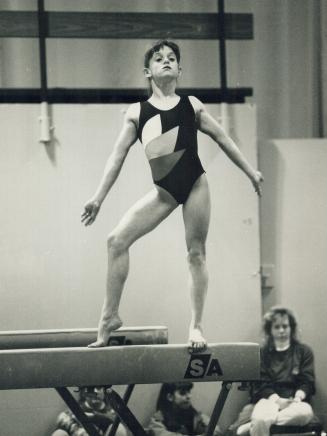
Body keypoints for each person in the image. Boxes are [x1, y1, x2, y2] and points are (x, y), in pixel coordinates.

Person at [81, 40, 264, 351]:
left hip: (195, 185)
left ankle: (196, 326)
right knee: (116, 241)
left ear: (180, 69)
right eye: (158, 59)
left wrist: (251, 171)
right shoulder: (137, 113)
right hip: (164, 193)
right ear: (147, 72)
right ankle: (109, 316)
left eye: (171, 58)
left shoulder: (191, 105)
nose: (165, 62)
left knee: (195, 253)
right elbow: (116, 157)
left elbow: (223, 138)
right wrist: (98, 198)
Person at [227, 306, 315, 436]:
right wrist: (278, 401)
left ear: (291, 328)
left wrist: (297, 397)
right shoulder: (262, 353)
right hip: (268, 400)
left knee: (305, 413)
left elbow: (307, 382)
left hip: (295, 402)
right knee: (261, 418)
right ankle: (259, 422)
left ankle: (253, 425)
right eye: (277, 327)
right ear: (270, 330)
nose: (281, 330)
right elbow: (261, 384)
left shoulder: (303, 351)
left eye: (285, 326)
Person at [147, 382, 222, 436]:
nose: (189, 396)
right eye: (182, 393)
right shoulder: (158, 420)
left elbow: (216, 430)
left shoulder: (195, 415)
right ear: (170, 397)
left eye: (189, 392)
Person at [51, 386, 126, 436]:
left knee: (119, 428)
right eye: (91, 388)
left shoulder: (114, 413)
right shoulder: (70, 414)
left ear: (105, 391)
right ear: (83, 392)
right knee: (59, 433)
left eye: (99, 388)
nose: (95, 392)